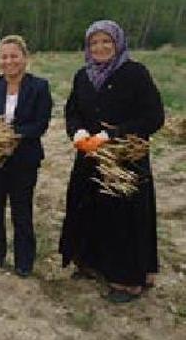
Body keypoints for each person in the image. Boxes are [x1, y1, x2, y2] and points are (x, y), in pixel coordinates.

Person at [59, 20, 164, 303]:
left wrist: (112, 134)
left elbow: (154, 117)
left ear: (118, 43)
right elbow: (73, 111)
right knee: (90, 207)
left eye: (106, 41)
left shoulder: (135, 73)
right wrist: (78, 132)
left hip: (124, 161)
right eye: (94, 43)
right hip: (90, 156)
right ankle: (92, 264)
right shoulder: (83, 76)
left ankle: (128, 280)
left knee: (123, 215)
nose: (100, 47)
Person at [0, 35, 52, 278]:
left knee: (21, 210)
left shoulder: (39, 87)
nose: (9, 61)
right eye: (4, 56)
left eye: (14, 56)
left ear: (25, 59)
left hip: (24, 159)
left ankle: (24, 262)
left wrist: (10, 137)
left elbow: (40, 125)